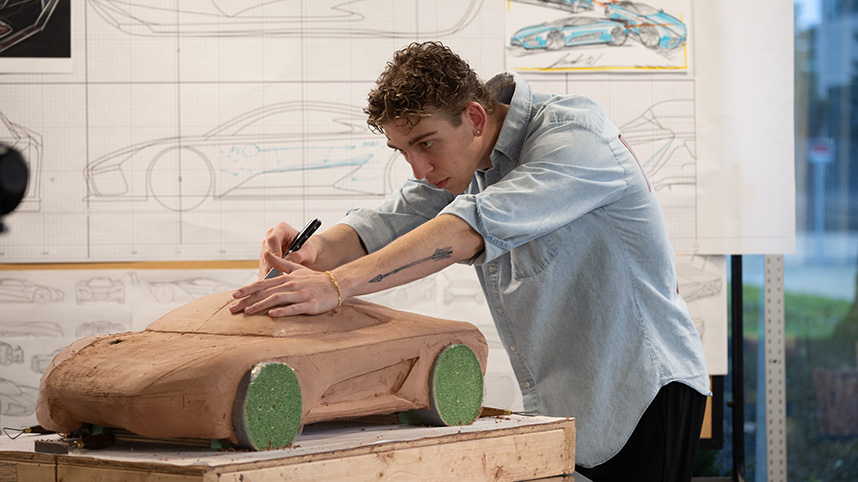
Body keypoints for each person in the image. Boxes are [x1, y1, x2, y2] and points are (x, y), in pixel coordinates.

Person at [230, 41, 710, 481]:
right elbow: (385, 222)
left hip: (641, 391)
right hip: (568, 398)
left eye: (425, 143)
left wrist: (335, 285)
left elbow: (466, 229)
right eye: (403, 150)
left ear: (475, 119)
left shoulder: (572, 138)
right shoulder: (471, 161)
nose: (419, 168)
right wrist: (313, 251)